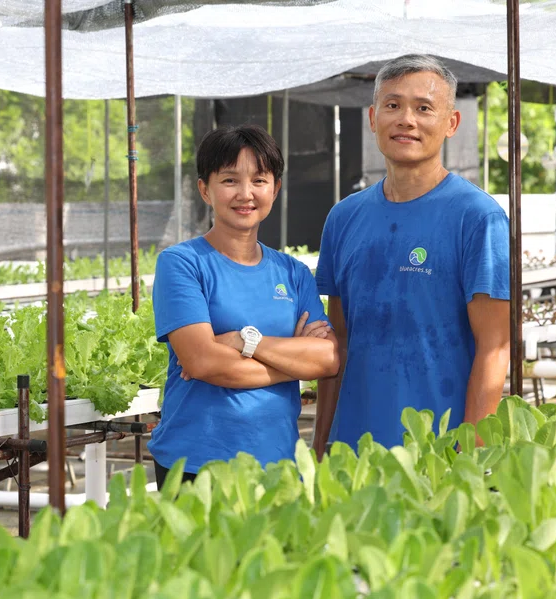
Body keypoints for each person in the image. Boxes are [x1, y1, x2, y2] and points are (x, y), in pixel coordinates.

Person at [313, 54, 511, 457]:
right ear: (372, 118)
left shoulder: (477, 217)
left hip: (437, 452)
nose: (406, 119)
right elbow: (339, 345)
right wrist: (320, 445)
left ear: (452, 123)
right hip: (354, 451)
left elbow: (495, 348)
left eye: (424, 108)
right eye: (392, 105)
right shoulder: (343, 218)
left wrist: (468, 455)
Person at [150, 124, 340, 489]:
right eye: (229, 180)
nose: (245, 193)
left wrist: (243, 341)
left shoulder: (294, 273)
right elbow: (203, 362)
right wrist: (293, 366)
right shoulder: (182, 264)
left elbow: (328, 359)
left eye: (259, 180)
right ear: (205, 189)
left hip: (279, 462)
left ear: (276, 188)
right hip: (195, 463)